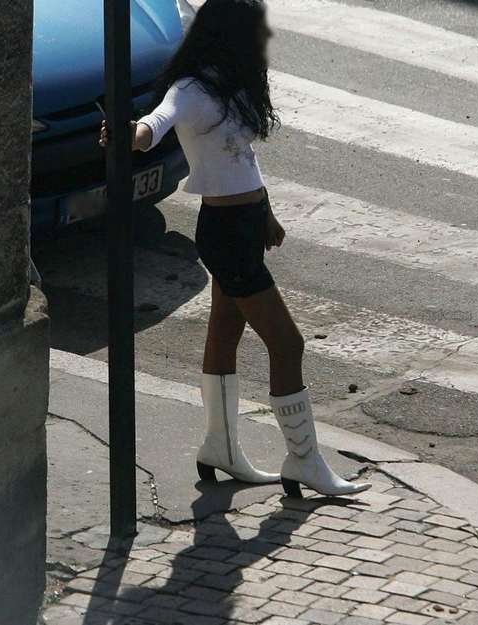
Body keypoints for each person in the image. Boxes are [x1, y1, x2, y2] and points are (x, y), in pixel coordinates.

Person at [99, 0, 368, 498]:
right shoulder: (192, 89)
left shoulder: (232, 80)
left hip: (245, 224)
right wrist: (126, 134)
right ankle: (304, 460)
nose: (265, 39)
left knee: (224, 332)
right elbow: (153, 126)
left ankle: (219, 449)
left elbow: (242, 158)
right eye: (257, 31)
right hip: (223, 231)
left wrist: (265, 211)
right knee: (288, 343)